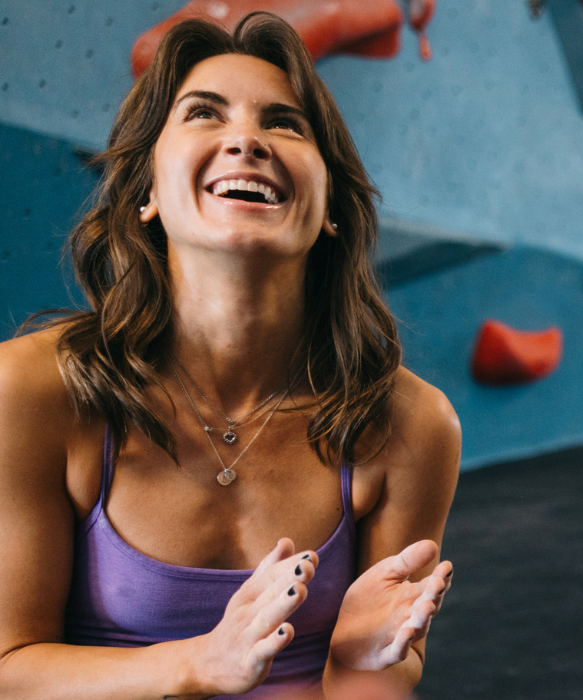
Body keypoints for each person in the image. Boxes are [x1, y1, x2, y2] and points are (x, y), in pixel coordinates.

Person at [0, 14, 458, 698]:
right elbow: (10, 668)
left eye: (285, 123)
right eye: (204, 114)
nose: (246, 139)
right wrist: (196, 663)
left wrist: (360, 664)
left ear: (329, 202)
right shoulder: (32, 392)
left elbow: (381, 684)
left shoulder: (412, 426)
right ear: (148, 191)